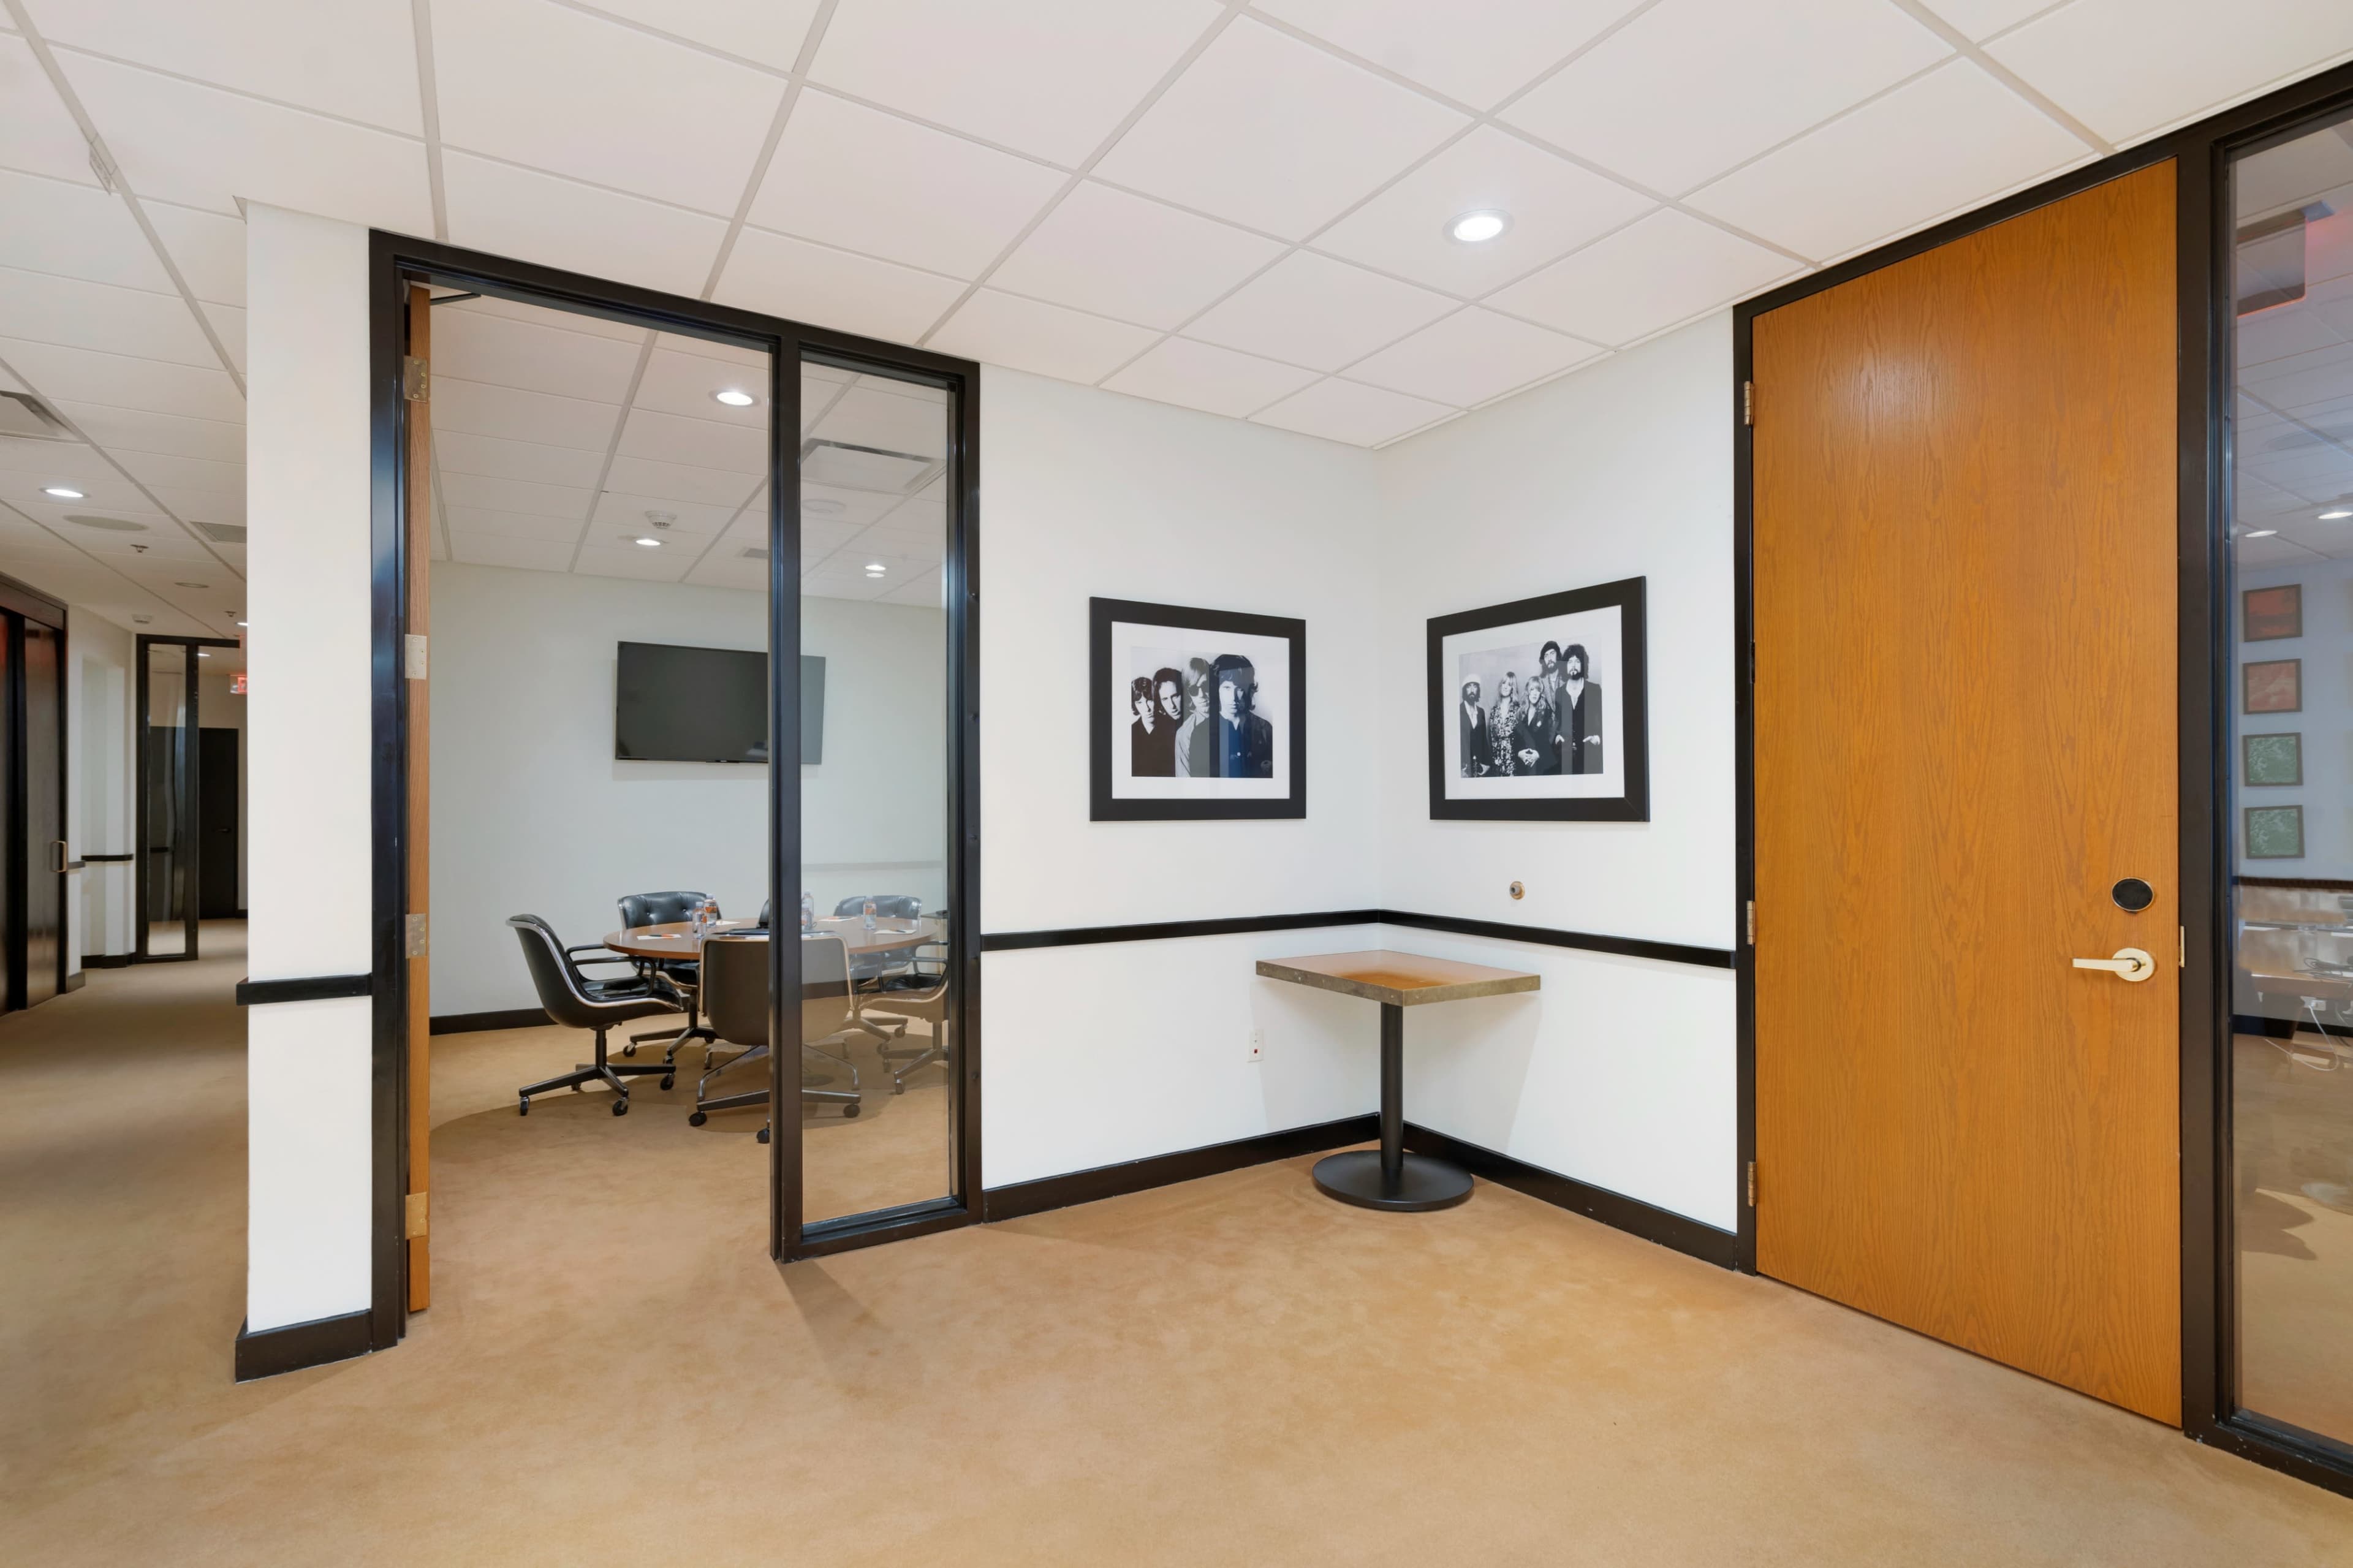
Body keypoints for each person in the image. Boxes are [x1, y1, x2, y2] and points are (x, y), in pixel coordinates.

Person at [1212, 652, 1273, 779]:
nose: (1233, 698)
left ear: (1248, 689)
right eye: (1227, 688)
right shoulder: (1205, 730)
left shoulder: (1265, 729)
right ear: (1217, 689)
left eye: (1239, 688)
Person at [1558, 642, 1604, 774]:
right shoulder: (1559, 693)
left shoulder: (1595, 690)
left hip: (1591, 760)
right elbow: (1556, 725)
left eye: (1577, 661)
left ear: (1583, 665)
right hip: (1565, 761)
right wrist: (1557, 738)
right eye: (1570, 661)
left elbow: (1605, 723)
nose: (1573, 665)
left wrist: (1597, 740)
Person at [1175, 656, 1216, 778]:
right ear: (1188, 693)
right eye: (1194, 690)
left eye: (1205, 686)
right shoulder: (1183, 734)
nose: (1201, 695)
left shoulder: (1230, 717)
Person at [1515, 667, 1559, 776]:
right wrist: (1520, 753)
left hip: (1541, 764)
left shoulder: (1546, 712)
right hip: (1523, 764)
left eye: (1538, 690)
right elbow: (1516, 739)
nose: (1535, 693)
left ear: (1541, 693)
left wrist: (1538, 755)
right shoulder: (1521, 712)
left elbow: (1550, 739)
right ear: (1528, 692)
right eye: (1532, 689)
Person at [1129, 674, 1174, 776]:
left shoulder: (1172, 726)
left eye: (1150, 700)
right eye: (1139, 703)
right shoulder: (1131, 732)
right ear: (1134, 705)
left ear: (1157, 699)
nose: (1147, 708)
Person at [1487, 672, 1522, 776]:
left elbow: (1522, 739)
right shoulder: (1494, 711)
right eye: (1504, 683)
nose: (1506, 687)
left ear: (1513, 688)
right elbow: (1492, 739)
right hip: (1497, 764)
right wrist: (1495, 761)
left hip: (1514, 764)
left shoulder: (1518, 710)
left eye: (1509, 685)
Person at [1458, 678, 1488, 777]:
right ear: (1464, 690)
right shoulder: (1458, 711)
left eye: (1475, 686)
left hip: (1479, 768)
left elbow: (1484, 740)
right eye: (1469, 686)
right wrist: (1459, 769)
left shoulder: (1481, 712)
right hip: (1464, 769)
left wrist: (1487, 765)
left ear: (1478, 690)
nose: (1472, 690)